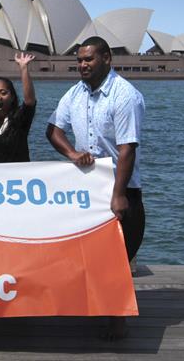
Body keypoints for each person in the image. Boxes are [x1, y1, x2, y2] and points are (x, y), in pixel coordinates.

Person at [45, 35, 145, 340]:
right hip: (87, 187)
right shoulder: (75, 93)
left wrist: (118, 194)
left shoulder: (125, 95)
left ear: (106, 59)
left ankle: (117, 319)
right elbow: (52, 129)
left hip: (120, 186)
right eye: (79, 60)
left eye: (88, 59)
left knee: (120, 254)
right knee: (88, 253)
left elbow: (127, 149)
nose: (82, 65)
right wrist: (73, 154)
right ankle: (94, 307)